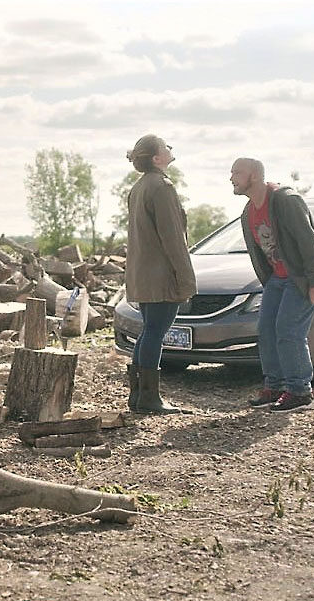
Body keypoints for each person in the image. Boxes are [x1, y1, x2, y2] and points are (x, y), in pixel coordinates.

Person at [230, 158, 314, 413]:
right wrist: (269, 280)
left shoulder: (285, 200)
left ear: (253, 176)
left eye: (236, 173)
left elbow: (310, 242)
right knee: (266, 329)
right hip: (278, 278)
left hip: (303, 276)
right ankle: (274, 387)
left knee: (289, 331)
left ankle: (301, 392)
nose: (231, 178)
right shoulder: (248, 212)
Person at [124, 134, 196, 414]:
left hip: (144, 272)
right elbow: (173, 239)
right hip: (161, 274)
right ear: (156, 158)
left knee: (150, 330)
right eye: (166, 146)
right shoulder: (162, 187)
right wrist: (186, 278)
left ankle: (139, 395)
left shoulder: (140, 187)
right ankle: (149, 398)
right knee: (155, 330)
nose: (171, 148)